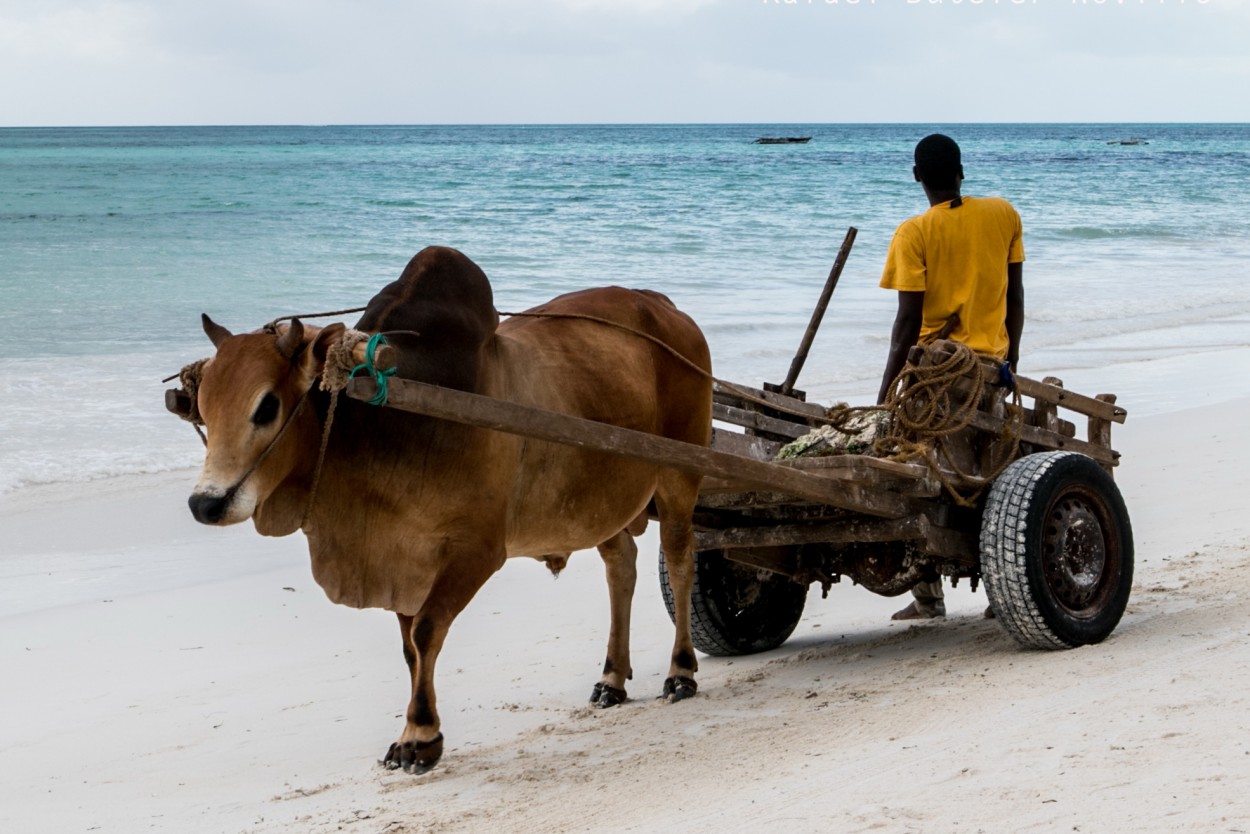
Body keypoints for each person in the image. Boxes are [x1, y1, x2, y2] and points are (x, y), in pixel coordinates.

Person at [876, 134, 1025, 621]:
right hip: (988, 371)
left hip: (936, 375)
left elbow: (905, 327)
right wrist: (1010, 363)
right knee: (983, 473)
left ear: (916, 176)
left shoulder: (914, 233)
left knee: (918, 473)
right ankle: (1001, 591)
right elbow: (1017, 296)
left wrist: (885, 399)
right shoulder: (1003, 214)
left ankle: (926, 596)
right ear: (962, 170)